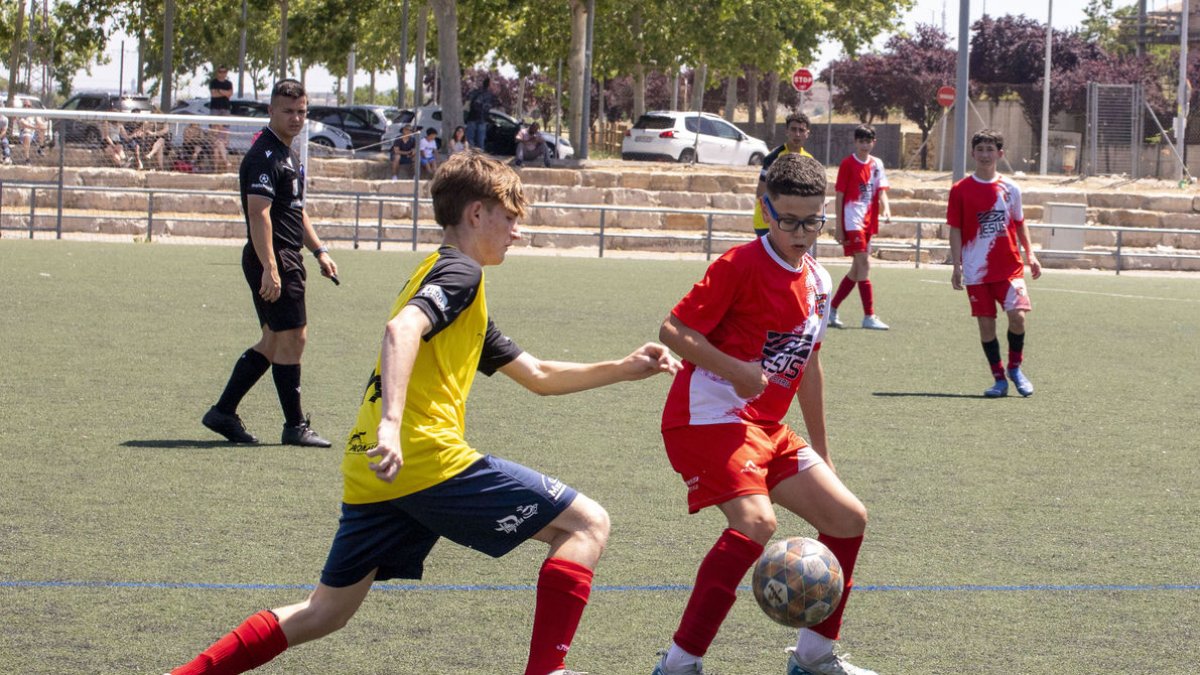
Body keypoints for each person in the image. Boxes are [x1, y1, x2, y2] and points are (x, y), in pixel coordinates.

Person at [170, 150, 682, 675]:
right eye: (509, 218)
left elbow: (539, 376)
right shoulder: (460, 273)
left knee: (322, 613)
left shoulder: (442, 278)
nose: (516, 233)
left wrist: (621, 367)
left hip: (374, 469)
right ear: (476, 214)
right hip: (421, 457)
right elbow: (402, 331)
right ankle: (546, 672)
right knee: (587, 524)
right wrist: (393, 425)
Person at [652, 153, 875, 675]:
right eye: (788, 220)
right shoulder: (739, 265)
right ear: (765, 209)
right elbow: (672, 331)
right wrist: (735, 370)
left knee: (848, 519)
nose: (801, 232)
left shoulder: (819, 280)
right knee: (755, 523)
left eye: (812, 221)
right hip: (707, 417)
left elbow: (810, 365)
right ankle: (678, 665)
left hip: (766, 429)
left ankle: (814, 657)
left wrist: (822, 450)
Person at [201, 79, 338, 447]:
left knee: (275, 339)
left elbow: (296, 211)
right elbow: (258, 213)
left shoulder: (289, 154)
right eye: (288, 111)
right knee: (294, 337)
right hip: (273, 257)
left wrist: (319, 251)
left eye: (302, 112)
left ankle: (223, 413)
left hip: (287, 255)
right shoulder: (264, 155)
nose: (296, 118)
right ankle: (294, 426)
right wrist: (271, 266)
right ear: (271, 112)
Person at [948, 129, 1041, 398]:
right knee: (986, 326)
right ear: (973, 153)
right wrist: (957, 266)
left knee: (1018, 317)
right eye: (981, 149)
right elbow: (955, 229)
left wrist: (1030, 255)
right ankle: (999, 378)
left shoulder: (1010, 188)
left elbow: (1020, 224)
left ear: (1000, 154)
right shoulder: (960, 190)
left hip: (1009, 267)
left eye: (991, 149)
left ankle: (1015, 368)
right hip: (976, 270)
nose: (985, 154)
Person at [829, 124, 891, 331]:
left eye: (868, 141)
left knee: (857, 270)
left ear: (874, 142)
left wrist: (887, 208)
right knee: (864, 264)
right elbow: (839, 196)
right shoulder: (847, 164)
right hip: (852, 221)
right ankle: (869, 316)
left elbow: (881, 190)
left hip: (869, 222)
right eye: (861, 141)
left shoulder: (877, 164)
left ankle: (831, 309)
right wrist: (839, 226)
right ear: (855, 142)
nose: (865, 145)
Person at [752, 112, 814, 237]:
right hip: (768, 223)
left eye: (801, 130)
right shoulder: (774, 157)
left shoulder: (809, 160)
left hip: (792, 222)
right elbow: (761, 192)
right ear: (787, 131)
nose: (797, 134)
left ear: (807, 133)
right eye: (793, 129)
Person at [209, 66, 234, 171]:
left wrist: (220, 91)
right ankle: (222, 165)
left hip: (226, 109)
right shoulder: (213, 82)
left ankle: (221, 166)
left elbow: (230, 94)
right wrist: (224, 93)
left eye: (224, 71)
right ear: (217, 72)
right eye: (220, 71)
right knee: (216, 138)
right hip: (215, 108)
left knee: (223, 135)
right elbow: (213, 94)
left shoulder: (229, 83)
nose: (222, 73)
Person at [465, 75, 497, 151]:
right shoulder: (489, 95)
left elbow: (469, 98)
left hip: (474, 118)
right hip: (479, 119)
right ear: (489, 84)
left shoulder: (476, 91)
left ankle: (471, 156)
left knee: (471, 140)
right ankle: (478, 158)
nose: (494, 85)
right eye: (492, 84)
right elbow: (481, 105)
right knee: (480, 141)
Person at [17, 100, 50, 164]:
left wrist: (43, 125)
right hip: (24, 133)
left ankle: (41, 147)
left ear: (31, 107)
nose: (26, 107)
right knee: (27, 134)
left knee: (42, 129)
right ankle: (27, 159)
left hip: (34, 132)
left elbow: (39, 123)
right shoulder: (20, 114)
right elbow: (24, 124)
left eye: (28, 106)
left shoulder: (34, 114)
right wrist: (35, 127)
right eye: (25, 106)